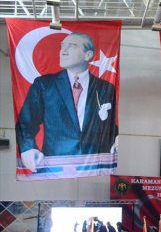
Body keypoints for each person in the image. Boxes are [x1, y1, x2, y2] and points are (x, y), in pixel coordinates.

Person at [16, 32, 118, 172]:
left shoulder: (105, 88)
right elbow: (25, 123)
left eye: (71, 46)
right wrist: (28, 148)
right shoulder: (45, 85)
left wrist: (117, 138)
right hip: (54, 168)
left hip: (95, 167)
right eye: (62, 46)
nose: (63, 51)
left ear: (88, 55)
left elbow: (109, 126)